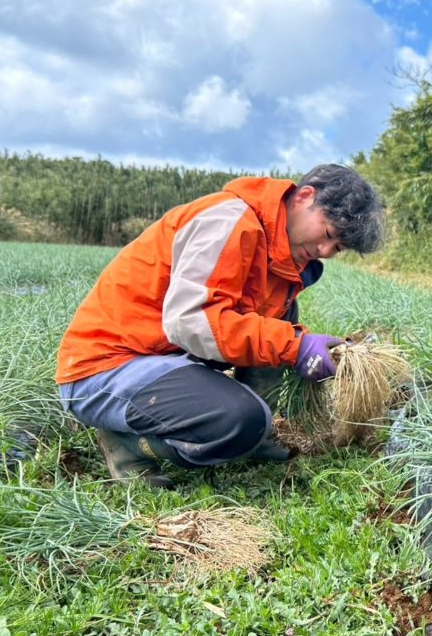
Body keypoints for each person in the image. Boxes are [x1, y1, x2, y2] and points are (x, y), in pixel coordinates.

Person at [55, 164, 385, 487]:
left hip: (160, 356)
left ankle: (258, 437)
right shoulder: (229, 222)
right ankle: (126, 445)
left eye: (337, 248)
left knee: (281, 320)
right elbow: (191, 322)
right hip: (103, 370)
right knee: (240, 420)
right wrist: (295, 347)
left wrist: (302, 347)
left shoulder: (280, 256)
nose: (324, 251)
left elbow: (263, 330)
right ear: (305, 197)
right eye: (327, 233)